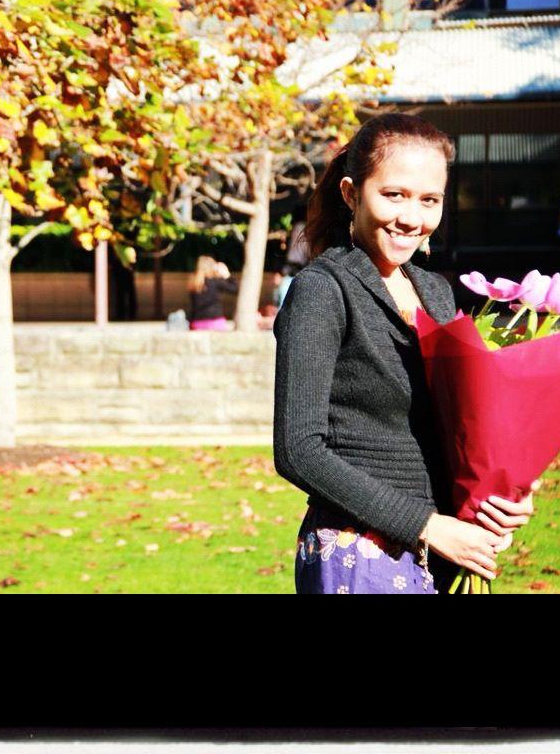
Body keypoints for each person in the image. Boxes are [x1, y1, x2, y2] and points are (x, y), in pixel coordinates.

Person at [273, 113, 538, 594]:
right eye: (393, 194)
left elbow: (458, 428)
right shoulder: (322, 290)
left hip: (447, 551)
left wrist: (507, 492)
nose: (412, 217)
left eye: (429, 200)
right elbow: (299, 450)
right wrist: (428, 526)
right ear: (351, 194)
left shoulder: (436, 293)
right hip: (359, 554)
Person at [187, 256, 237, 331]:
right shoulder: (216, 281)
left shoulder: (193, 283)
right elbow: (235, 289)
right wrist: (227, 275)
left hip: (197, 322)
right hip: (215, 322)